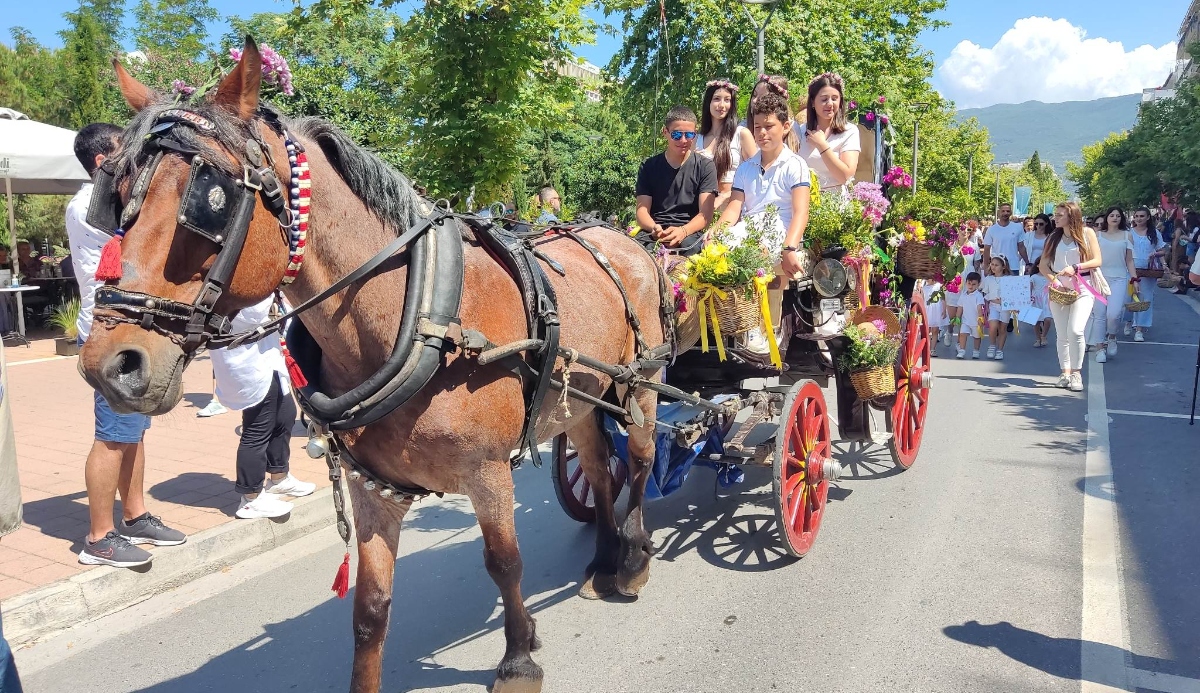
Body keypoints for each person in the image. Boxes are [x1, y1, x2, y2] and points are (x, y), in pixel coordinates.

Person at [67, 123, 186, 567]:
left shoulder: (112, 201)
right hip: (111, 336)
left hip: (134, 332)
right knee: (112, 436)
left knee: (134, 431)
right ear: (102, 163)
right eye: (126, 154)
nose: (135, 161)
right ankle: (99, 537)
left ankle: (134, 516)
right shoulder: (89, 207)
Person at [715, 93, 811, 352]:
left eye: (769, 126)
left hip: (782, 227)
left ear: (786, 127)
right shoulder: (746, 168)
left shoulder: (795, 165)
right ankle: (731, 323)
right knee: (718, 250)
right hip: (751, 225)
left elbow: (801, 211)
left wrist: (790, 248)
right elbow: (735, 207)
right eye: (757, 127)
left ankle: (764, 327)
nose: (762, 133)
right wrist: (716, 232)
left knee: (758, 252)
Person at [208, 298, 314, 519]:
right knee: (257, 428)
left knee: (285, 414)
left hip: (267, 352)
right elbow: (251, 314)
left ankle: (279, 477)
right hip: (246, 358)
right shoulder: (232, 281)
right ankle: (250, 497)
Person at [634, 105, 718, 254]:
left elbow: (706, 215)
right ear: (665, 132)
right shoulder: (648, 166)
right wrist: (654, 228)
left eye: (689, 135)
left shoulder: (706, 166)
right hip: (654, 230)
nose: (684, 140)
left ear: (695, 134)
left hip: (689, 232)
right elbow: (642, 211)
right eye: (677, 135)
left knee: (694, 253)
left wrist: (683, 231)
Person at [1041, 202, 1103, 392]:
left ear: (1072, 217)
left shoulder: (1087, 233)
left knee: (1075, 330)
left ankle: (1076, 373)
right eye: (1055, 215)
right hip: (1060, 288)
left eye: (1060, 215)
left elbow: (1097, 260)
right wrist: (1056, 281)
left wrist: (1076, 267)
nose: (1056, 218)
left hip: (1083, 286)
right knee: (1062, 334)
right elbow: (1043, 266)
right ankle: (1065, 372)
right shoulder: (1053, 237)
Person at [794, 72, 861, 197]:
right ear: (813, 102)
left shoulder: (850, 131)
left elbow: (846, 176)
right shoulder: (799, 131)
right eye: (824, 99)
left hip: (835, 203)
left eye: (835, 99)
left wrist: (822, 145)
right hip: (804, 199)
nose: (830, 104)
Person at [695, 79, 756, 214]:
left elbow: (757, 174)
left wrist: (725, 195)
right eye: (717, 99)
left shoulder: (741, 134)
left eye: (727, 100)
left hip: (735, 210)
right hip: (702, 210)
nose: (722, 105)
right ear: (708, 102)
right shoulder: (697, 139)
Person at [1090, 207, 1137, 363]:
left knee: (1114, 314)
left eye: (1118, 215)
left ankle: (1112, 336)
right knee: (1099, 314)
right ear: (1107, 218)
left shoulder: (1127, 236)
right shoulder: (1098, 236)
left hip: (1119, 278)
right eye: (1112, 215)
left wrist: (1134, 279)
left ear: (1121, 218)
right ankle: (1099, 349)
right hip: (1099, 278)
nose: (1115, 218)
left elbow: (1129, 260)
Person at [1126, 205, 1167, 342]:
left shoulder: (1154, 233)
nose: (1138, 219)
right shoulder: (1128, 233)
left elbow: (1162, 250)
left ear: (1148, 217)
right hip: (1130, 269)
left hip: (1148, 271)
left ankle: (1139, 329)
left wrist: (1155, 254)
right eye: (1136, 216)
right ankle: (1128, 321)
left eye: (1142, 216)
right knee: (1130, 297)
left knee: (1146, 298)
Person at [1025, 213, 1055, 347]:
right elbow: (1023, 249)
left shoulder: (1051, 237)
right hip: (1033, 265)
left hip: (1047, 266)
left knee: (1047, 312)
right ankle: (1039, 334)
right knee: (1034, 302)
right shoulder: (1029, 235)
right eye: (1036, 224)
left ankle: (1043, 332)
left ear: (1047, 224)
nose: (1037, 226)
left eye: (1041, 224)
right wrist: (1027, 263)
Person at [983, 203, 1028, 276]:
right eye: (1003, 211)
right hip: (997, 268)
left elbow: (1021, 247)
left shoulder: (1018, 227)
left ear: (1011, 213)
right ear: (999, 212)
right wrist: (986, 266)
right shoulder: (992, 229)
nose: (1005, 213)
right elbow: (987, 249)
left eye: (1008, 211)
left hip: (1013, 267)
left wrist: (1027, 262)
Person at [981, 255, 1011, 360]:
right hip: (993, 306)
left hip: (1005, 307)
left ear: (1003, 267)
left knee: (1002, 329)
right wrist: (986, 307)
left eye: (996, 265)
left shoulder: (1009, 279)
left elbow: (1014, 294)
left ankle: (1000, 349)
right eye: (992, 264)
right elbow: (985, 293)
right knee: (993, 325)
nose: (993, 267)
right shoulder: (988, 279)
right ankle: (992, 345)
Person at [955, 272, 985, 359]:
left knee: (977, 337)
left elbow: (980, 308)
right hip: (965, 321)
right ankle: (962, 350)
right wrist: (957, 318)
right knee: (962, 334)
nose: (971, 286)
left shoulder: (978, 296)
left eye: (974, 284)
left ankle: (976, 351)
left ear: (978, 284)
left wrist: (980, 318)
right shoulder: (963, 295)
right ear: (966, 282)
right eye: (969, 283)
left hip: (975, 322)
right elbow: (960, 307)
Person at [922, 281, 948, 357]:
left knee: (935, 330)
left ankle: (932, 349)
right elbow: (923, 300)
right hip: (928, 310)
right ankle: (925, 348)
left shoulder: (939, 286)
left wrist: (944, 309)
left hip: (937, 310)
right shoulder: (924, 288)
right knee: (927, 330)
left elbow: (943, 299)